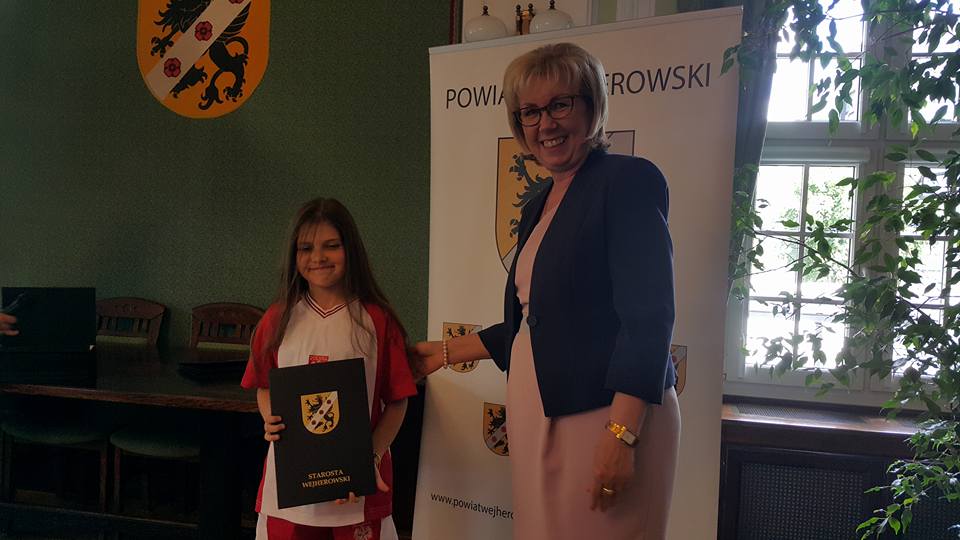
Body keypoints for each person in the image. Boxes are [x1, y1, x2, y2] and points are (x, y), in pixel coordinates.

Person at [412, 43, 681, 539]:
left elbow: (649, 319)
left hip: (606, 415)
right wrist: (443, 353)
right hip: (539, 409)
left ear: (592, 107)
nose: (546, 124)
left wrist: (622, 434)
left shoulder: (627, 181)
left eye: (560, 105)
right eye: (530, 112)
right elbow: (537, 319)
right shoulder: (538, 204)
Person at [241, 197, 417, 540]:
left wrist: (369, 457)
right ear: (294, 256)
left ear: (351, 249)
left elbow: (398, 400)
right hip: (289, 488)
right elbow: (264, 385)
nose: (318, 257)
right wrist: (270, 416)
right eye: (306, 248)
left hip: (357, 491)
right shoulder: (277, 319)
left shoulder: (377, 320)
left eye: (331, 246)